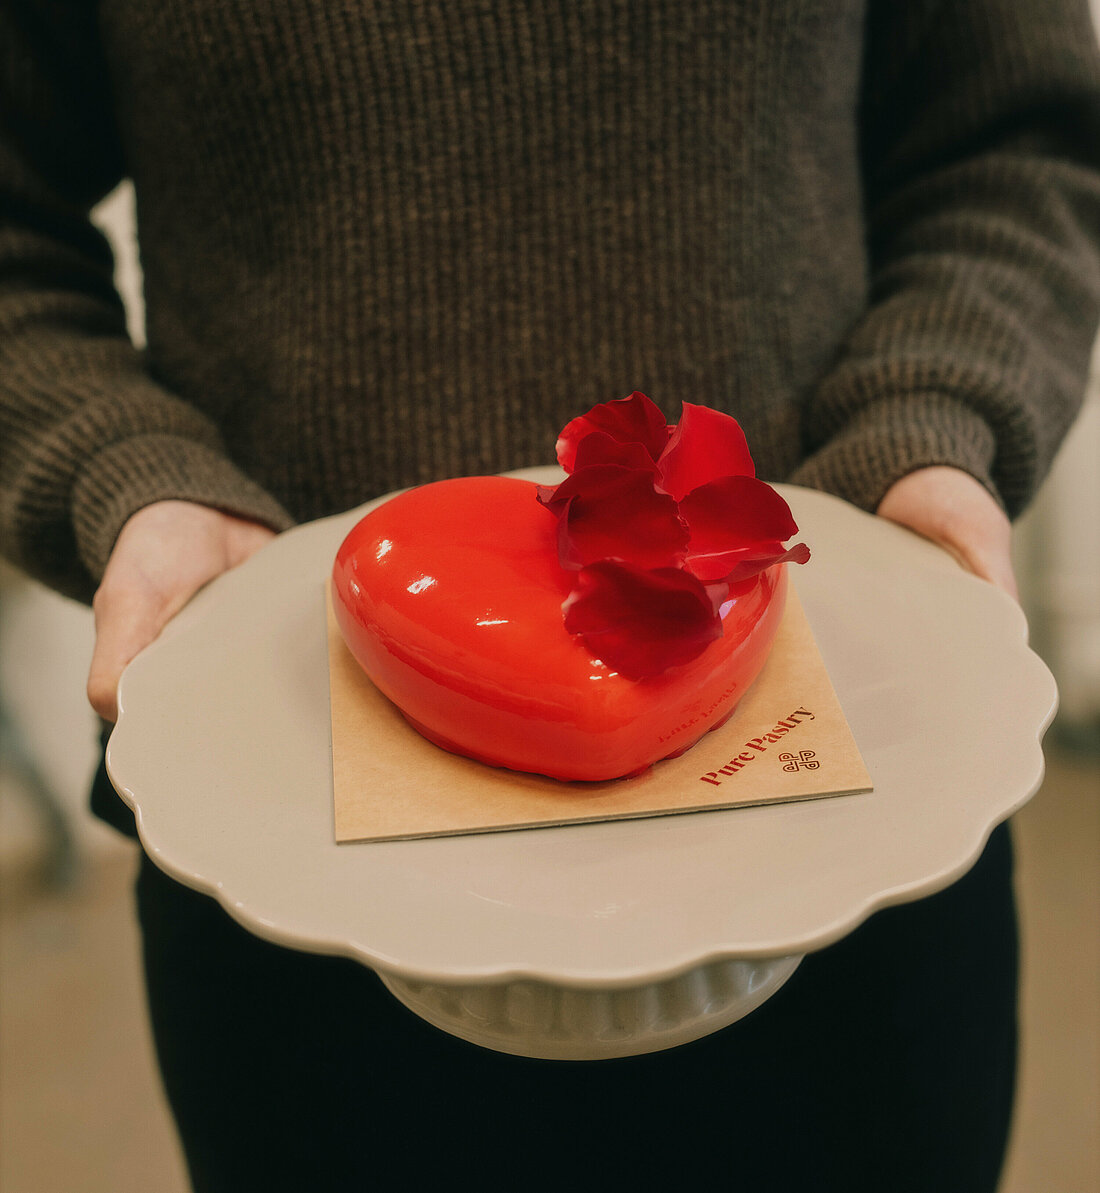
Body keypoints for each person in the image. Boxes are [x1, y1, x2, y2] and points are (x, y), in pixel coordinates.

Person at [3, 1, 1099, 1189]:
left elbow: (1012, 145)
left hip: (855, 834)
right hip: (286, 860)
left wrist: (934, 415)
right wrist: (123, 466)